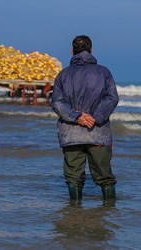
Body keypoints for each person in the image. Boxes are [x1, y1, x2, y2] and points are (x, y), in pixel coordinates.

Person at [51, 35, 119, 205]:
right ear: (91, 50)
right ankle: (109, 213)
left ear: (72, 51)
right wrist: (94, 117)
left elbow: (57, 103)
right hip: (98, 133)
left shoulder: (63, 74)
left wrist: (78, 117)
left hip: (71, 134)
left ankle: (74, 214)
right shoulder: (104, 72)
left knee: (73, 177)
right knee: (105, 177)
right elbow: (112, 98)